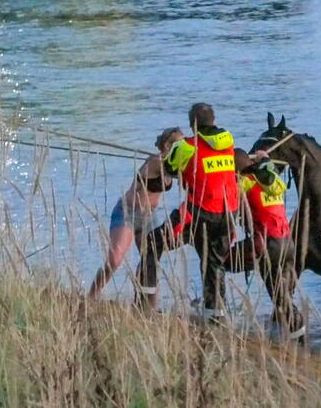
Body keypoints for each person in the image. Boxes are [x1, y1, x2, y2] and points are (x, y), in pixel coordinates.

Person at [138, 103, 239, 322]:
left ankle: (143, 305)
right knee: (214, 263)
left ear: (193, 124)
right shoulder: (228, 143)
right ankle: (216, 317)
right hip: (230, 214)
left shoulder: (186, 147)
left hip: (200, 212)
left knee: (153, 243)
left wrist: (167, 155)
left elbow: (172, 169)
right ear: (213, 121)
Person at [89, 127, 183, 298]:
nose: (174, 147)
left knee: (150, 263)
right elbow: (176, 171)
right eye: (171, 143)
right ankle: (91, 296)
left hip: (149, 217)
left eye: (178, 144)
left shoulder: (173, 162)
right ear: (163, 145)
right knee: (115, 260)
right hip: (128, 212)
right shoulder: (156, 161)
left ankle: (147, 304)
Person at [225, 148, 301, 329]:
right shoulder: (273, 179)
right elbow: (269, 171)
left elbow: (228, 199)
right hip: (288, 243)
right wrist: (265, 160)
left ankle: (214, 308)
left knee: (219, 261)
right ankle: (294, 336)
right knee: (281, 296)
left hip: (267, 244)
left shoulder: (245, 182)